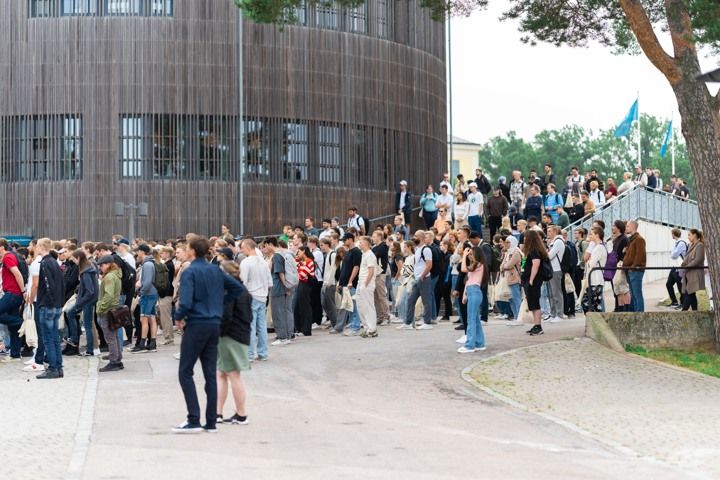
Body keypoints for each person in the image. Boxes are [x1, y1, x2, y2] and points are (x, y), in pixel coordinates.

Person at [172, 235, 243, 434]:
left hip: (196, 323)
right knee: (210, 372)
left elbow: (185, 302)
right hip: (214, 323)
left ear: (192, 250)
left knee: (185, 371)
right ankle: (211, 421)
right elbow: (238, 288)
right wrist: (219, 303)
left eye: (186, 248)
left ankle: (193, 418)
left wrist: (178, 316)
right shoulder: (215, 269)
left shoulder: (190, 271)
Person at [216, 261, 253, 425]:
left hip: (230, 336)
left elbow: (226, 316)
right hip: (239, 334)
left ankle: (241, 413)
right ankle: (218, 412)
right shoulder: (242, 289)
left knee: (231, 375)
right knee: (224, 374)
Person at [34, 238, 65, 379]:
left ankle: (53, 368)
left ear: (41, 247)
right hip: (56, 304)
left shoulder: (46, 263)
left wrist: (49, 302)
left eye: (37, 246)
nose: (35, 249)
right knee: (54, 338)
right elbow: (61, 284)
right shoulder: (54, 262)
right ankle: (58, 367)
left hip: (48, 305)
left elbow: (48, 285)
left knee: (48, 338)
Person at [240, 239, 272, 361]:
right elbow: (270, 282)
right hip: (262, 296)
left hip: (251, 295)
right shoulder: (264, 262)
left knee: (250, 326)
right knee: (261, 326)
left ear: (248, 247)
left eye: (242, 247)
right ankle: (263, 353)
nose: (241, 250)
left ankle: (249, 354)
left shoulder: (246, 262)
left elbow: (242, 281)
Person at [399, 231, 433, 330]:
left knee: (426, 301)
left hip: (424, 278)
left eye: (415, 236)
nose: (414, 238)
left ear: (421, 238)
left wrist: (422, 276)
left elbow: (429, 265)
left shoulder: (426, 250)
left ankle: (427, 322)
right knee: (410, 300)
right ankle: (408, 323)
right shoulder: (418, 249)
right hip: (417, 279)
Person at [0, 238, 27, 361]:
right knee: (13, 327)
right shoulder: (12, 256)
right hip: (15, 293)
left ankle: (21, 322)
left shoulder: (7, 257)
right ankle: (15, 354)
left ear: (1, 247)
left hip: (13, 293)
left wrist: (23, 291)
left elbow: (17, 274)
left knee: (15, 322)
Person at [96, 255, 124, 372]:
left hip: (107, 310)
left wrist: (100, 307)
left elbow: (109, 295)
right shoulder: (116, 274)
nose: (101, 268)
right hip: (113, 308)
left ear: (108, 264)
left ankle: (114, 362)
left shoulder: (109, 277)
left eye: (102, 265)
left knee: (110, 337)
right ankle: (117, 358)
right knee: (114, 336)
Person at [68, 250, 99, 357]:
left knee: (87, 324)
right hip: (87, 300)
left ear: (79, 258)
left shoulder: (86, 271)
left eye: (74, 259)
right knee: (75, 316)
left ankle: (82, 344)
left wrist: (80, 302)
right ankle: (75, 339)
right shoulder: (88, 268)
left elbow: (89, 290)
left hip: (87, 301)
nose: (73, 261)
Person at [131, 244, 159, 353]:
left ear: (142, 252)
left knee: (144, 319)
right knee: (151, 318)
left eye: (138, 252)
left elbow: (146, 283)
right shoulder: (151, 262)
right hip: (152, 293)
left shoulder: (147, 264)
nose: (137, 254)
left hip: (147, 294)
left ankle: (142, 343)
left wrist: (140, 292)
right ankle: (152, 343)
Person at [458, 245, 486, 353]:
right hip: (471, 291)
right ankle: (479, 343)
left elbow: (463, 269)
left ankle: (470, 345)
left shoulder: (479, 264)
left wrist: (464, 255)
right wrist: (465, 294)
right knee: (475, 319)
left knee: (471, 319)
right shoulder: (476, 265)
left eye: (471, 254)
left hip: (474, 291)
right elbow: (468, 280)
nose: (469, 255)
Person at [522, 230, 548, 336]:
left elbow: (535, 264)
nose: (524, 239)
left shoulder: (534, 250)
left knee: (535, 303)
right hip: (531, 280)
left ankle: (538, 326)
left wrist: (531, 279)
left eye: (525, 237)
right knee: (532, 303)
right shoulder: (535, 249)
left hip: (533, 280)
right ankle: (536, 324)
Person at [356, 236, 378, 337]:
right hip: (361, 283)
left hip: (367, 284)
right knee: (361, 306)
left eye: (360, 242)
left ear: (365, 243)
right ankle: (366, 327)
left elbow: (371, 271)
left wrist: (365, 284)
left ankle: (372, 329)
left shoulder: (370, 255)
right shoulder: (364, 254)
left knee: (368, 306)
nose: (359, 244)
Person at [582, 227, 608, 313]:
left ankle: (595, 323)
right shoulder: (597, 247)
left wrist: (589, 260)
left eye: (591, 234)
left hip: (596, 279)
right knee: (591, 303)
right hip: (593, 279)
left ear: (597, 235)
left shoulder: (599, 248)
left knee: (590, 303)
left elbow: (591, 263)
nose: (590, 236)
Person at [624, 221, 647, 312]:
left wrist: (633, 268)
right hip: (631, 270)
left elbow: (640, 256)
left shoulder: (639, 239)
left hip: (635, 270)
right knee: (633, 294)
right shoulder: (632, 239)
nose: (626, 228)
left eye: (627, 226)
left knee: (637, 294)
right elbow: (633, 255)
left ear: (633, 227)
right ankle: (635, 313)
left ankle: (639, 314)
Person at [680, 229, 706, 311]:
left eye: (689, 235)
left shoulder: (700, 245)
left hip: (694, 273)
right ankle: (695, 312)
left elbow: (698, 259)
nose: (688, 237)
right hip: (689, 273)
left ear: (695, 235)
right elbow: (687, 257)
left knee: (690, 293)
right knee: (691, 294)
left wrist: (687, 267)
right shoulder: (691, 245)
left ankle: (683, 312)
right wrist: (683, 264)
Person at [500, 236, 523, 326]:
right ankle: (515, 316)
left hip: (514, 278)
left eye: (508, 242)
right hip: (507, 278)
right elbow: (501, 265)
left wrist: (504, 266)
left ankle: (519, 317)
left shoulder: (516, 252)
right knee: (511, 298)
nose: (506, 244)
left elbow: (509, 265)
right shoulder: (507, 252)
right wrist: (504, 266)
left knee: (516, 298)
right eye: (506, 242)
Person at [293, 246, 315, 337]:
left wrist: (299, 269)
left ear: (304, 251)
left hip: (305, 285)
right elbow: (296, 269)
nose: (297, 254)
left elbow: (301, 275)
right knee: (298, 307)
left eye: (299, 252)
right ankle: (300, 328)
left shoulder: (309, 261)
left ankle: (306, 329)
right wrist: (297, 259)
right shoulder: (303, 262)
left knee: (305, 307)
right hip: (301, 284)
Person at [157, 246, 177, 345]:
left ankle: (169, 337)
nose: (161, 254)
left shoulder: (168, 265)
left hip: (166, 293)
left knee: (166, 317)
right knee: (164, 316)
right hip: (165, 293)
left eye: (163, 253)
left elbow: (165, 281)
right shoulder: (167, 264)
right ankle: (167, 336)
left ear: (168, 254)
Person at [546, 226, 565, 323]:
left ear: (555, 231)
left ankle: (559, 314)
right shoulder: (553, 241)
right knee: (551, 294)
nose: (547, 233)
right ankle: (553, 314)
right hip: (551, 269)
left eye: (549, 231)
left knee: (556, 293)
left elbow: (549, 256)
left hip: (556, 269)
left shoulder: (558, 241)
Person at [610, 221, 630, 312]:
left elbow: (626, 252)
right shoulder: (616, 239)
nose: (612, 227)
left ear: (618, 228)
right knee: (617, 288)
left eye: (614, 226)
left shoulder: (624, 239)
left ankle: (626, 308)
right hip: (615, 265)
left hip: (621, 265)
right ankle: (619, 308)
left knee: (623, 288)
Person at [371, 231, 390, 327]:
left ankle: (386, 317)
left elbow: (374, 256)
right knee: (375, 297)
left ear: (379, 237)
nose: (372, 238)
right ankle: (380, 317)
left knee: (382, 296)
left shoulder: (383, 246)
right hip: (374, 274)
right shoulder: (374, 248)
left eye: (374, 236)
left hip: (380, 274)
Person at [666, 229, 687, 308]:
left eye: (672, 234)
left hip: (680, 267)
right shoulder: (677, 243)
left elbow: (674, 255)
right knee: (668, 284)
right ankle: (674, 301)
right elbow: (674, 255)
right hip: (675, 267)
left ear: (674, 234)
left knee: (680, 286)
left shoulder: (681, 243)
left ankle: (683, 303)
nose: (671, 235)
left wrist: (673, 253)